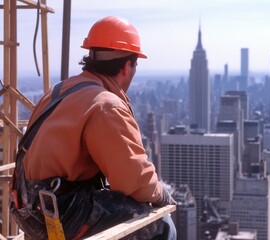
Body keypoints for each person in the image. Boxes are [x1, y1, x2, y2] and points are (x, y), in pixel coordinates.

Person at [10, 16, 176, 240]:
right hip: (59, 216)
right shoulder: (106, 105)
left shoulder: (59, 91)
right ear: (127, 66)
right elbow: (134, 180)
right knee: (162, 225)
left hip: (26, 210)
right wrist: (162, 196)